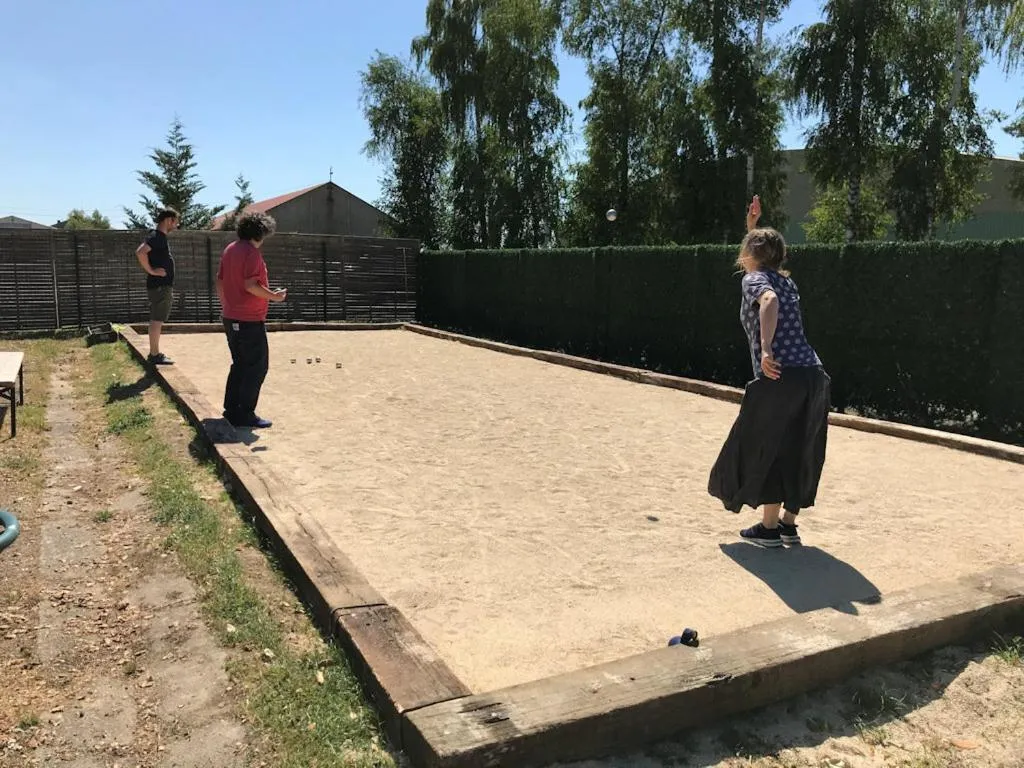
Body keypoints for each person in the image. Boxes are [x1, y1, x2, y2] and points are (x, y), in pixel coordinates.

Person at [707, 195, 831, 548]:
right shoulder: (784, 280)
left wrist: (765, 348)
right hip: (813, 373)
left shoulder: (756, 282)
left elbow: (768, 301)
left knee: (767, 444)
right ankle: (788, 524)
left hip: (781, 375)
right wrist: (753, 225)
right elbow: (761, 266)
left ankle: (769, 528)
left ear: (751, 255)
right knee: (802, 445)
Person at [215, 211, 287, 428]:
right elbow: (250, 285)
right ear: (261, 231)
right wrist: (274, 296)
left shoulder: (230, 249)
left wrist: (228, 306)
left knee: (240, 364)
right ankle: (246, 413)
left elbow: (220, 282)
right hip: (249, 320)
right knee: (257, 367)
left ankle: (232, 410)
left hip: (231, 317)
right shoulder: (251, 253)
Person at [135, 208, 179, 365]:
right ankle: (154, 355)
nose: (176, 225)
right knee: (157, 320)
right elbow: (140, 252)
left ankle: (154, 353)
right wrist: (152, 271)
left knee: (156, 319)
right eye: (175, 221)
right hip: (160, 286)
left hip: (160, 286)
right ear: (168, 220)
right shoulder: (157, 237)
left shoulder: (158, 237)